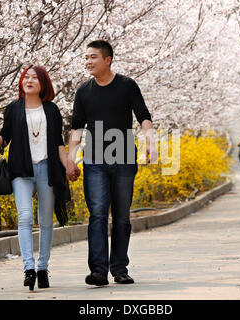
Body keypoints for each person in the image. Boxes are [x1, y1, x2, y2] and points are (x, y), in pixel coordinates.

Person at [0, 65, 70, 291]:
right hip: (21, 170)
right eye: (25, 77)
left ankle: (43, 268)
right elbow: (4, 141)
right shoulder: (13, 108)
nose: (29, 80)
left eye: (34, 78)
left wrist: (68, 164)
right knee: (24, 217)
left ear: (43, 84)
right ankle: (29, 269)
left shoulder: (51, 110)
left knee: (46, 221)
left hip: (47, 169)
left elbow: (59, 143)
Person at [66, 40, 157, 286]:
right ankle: (98, 271)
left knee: (121, 216)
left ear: (108, 60)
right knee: (97, 213)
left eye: (93, 57)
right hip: (94, 160)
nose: (88, 61)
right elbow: (76, 127)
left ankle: (119, 268)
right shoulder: (84, 91)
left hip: (124, 157)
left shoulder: (127, 85)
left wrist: (150, 140)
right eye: (86, 57)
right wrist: (70, 158)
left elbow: (143, 116)